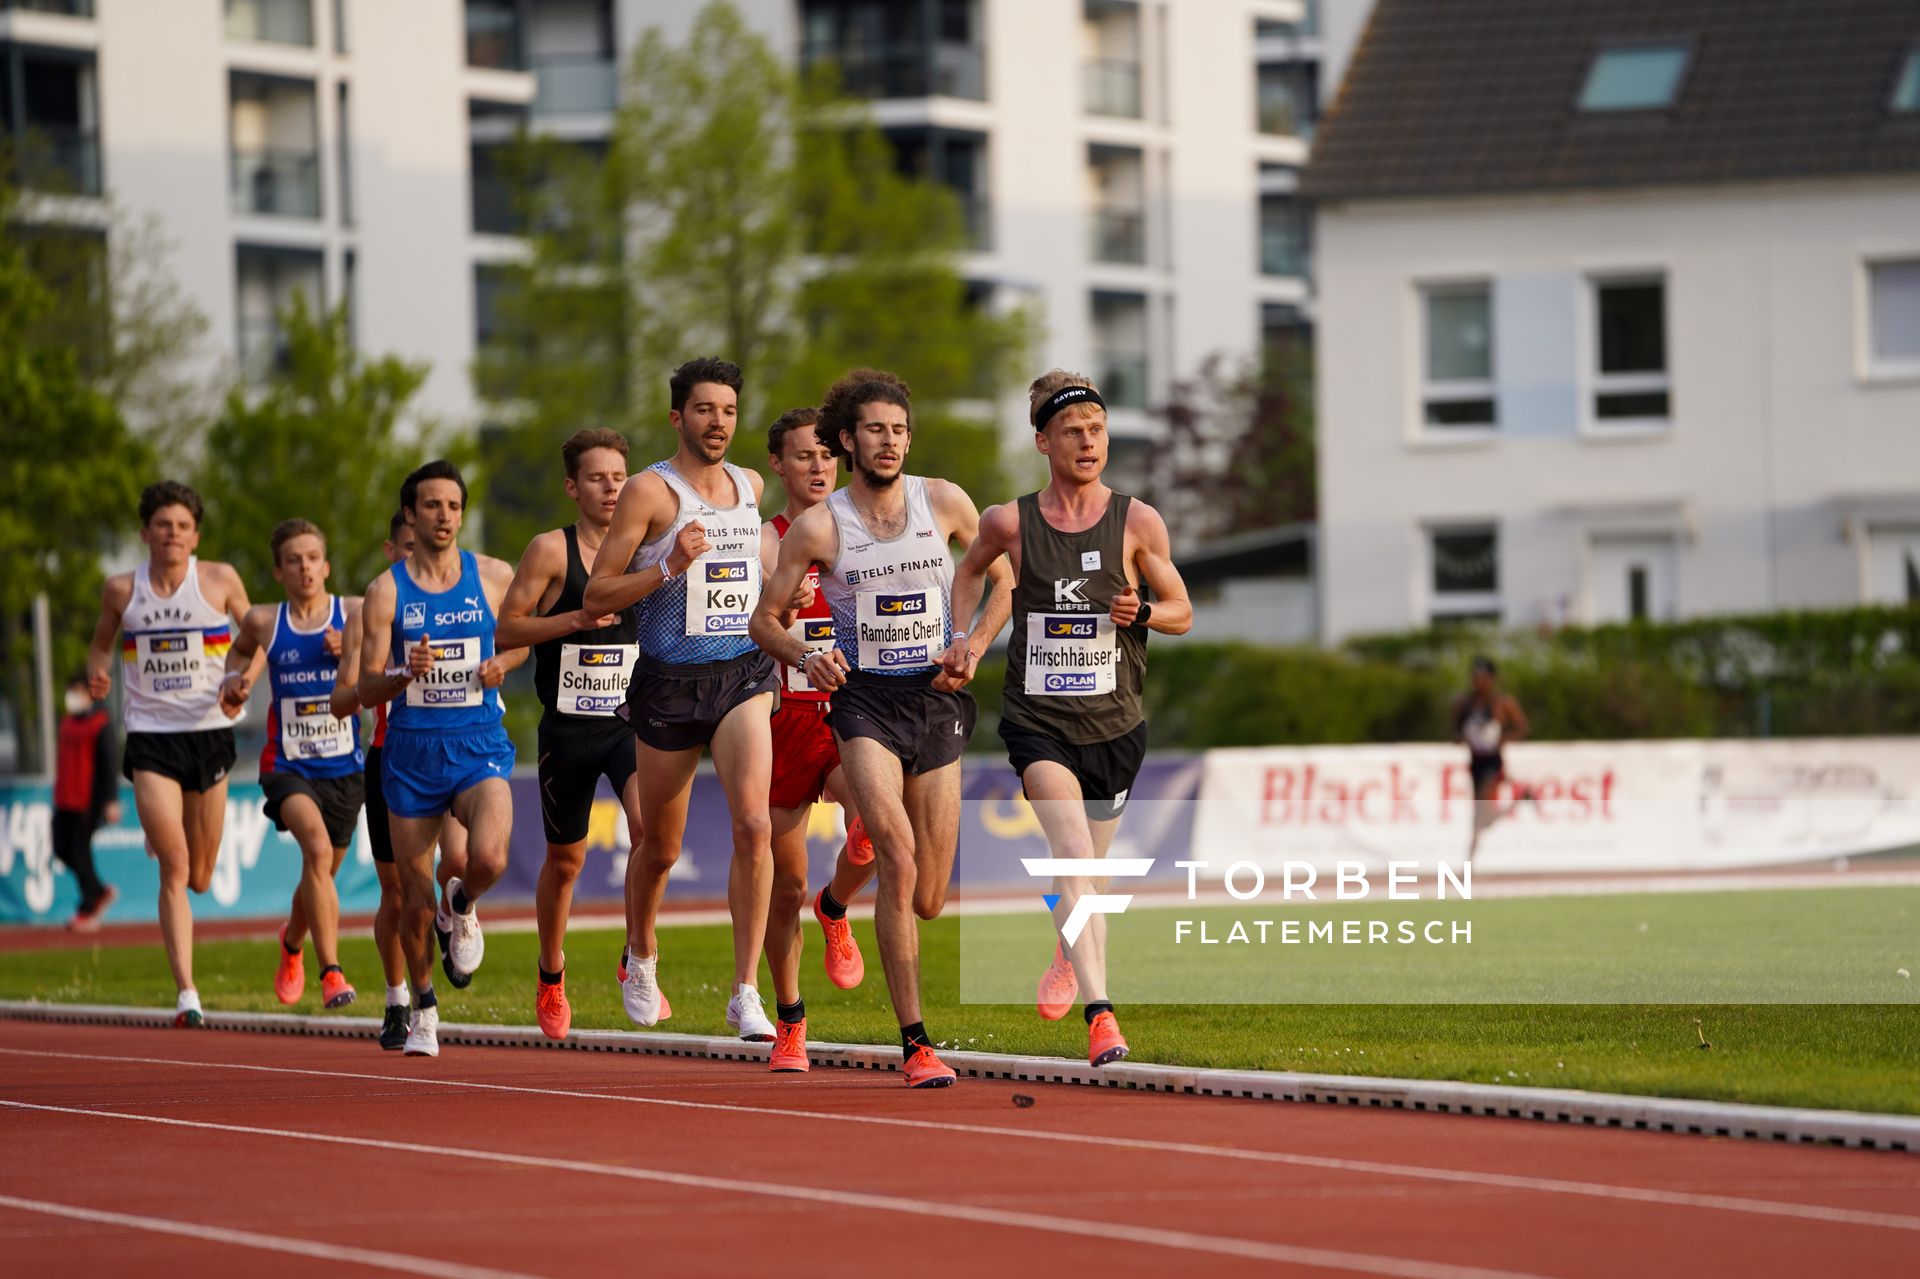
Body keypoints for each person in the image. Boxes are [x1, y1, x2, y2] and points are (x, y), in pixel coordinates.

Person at [750, 369, 1012, 1089]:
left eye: (899, 429)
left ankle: (834, 904)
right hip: (864, 703)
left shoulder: (946, 501)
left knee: (928, 894)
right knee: (893, 851)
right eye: (875, 430)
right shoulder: (820, 525)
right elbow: (763, 622)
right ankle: (917, 1043)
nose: (889, 441)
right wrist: (807, 652)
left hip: (936, 699)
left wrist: (973, 641)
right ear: (847, 438)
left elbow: (1004, 577)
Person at [947, 371, 1193, 1066]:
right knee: (1075, 857)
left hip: (1115, 726)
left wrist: (1142, 611)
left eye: (1097, 429)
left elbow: (1182, 611)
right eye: (1073, 431)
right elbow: (969, 571)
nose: (1088, 441)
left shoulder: (1138, 520)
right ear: (1043, 441)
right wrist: (959, 635)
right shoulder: (1008, 521)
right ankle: (1103, 1014)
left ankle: (1066, 950)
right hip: (1038, 721)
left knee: (1090, 876)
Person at [583, 358, 790, 1044]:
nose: (718, 422)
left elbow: (761, 568)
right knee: (660, 847)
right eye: (704, 409)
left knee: (754, 826)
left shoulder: (751, 486)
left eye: (729, 410)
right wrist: (666, 566)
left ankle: (746, 990)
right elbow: (596, 596)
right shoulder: (650, 492)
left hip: (742, 673)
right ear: (678, 417)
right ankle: (640, 954)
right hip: (668, 683)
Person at [356, 460, 521, 1057]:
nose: (444, 516)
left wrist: (507, 661)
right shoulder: (386, 590)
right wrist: (403, 672)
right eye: (431, 506)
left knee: (490, 856)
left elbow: (522, 634)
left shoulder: (493, 575)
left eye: (453, 505)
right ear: (410, 514)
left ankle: (465, 903)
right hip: (410, 753)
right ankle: (423, 1004)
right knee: (413, 900)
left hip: (479, 743)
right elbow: (366, 685)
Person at [86, 481, 257, 1028]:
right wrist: (95, 670)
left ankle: (166, 833)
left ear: (195, 535)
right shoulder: (121, 590)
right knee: (176, 868)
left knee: (201, 875)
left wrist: (242, 681)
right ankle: (187, 993)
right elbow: (101, 644)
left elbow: (257, 639)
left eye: (183, 526)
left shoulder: (219, 580)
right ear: (145, 534)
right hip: (150, 738)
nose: (173, 535)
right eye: (163, 526)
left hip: (209, 733)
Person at [495, 429, 644, 1040]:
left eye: (618, 476)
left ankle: (638, 953)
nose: (611, 487)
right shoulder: (550, 552)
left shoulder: (645, 546)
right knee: (566, 862)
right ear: (572, 487)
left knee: (654, 838)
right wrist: (575, 618)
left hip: (633, 722)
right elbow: (507, 631)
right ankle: (551, 972)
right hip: (569, 728)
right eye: (597, 477)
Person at [759, 406, 877, 1072]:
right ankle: (790, 1022)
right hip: (782, 718)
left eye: (827, 455)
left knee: (872, 827)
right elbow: (743, 622)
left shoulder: (862, 533)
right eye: (804, 455)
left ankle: (835, 907)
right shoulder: (764, 540)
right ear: (778, 463)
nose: (818, 467)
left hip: (848, 710)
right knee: (784, 883)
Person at [333, 510, 470, 1050]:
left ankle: (454, 914)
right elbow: (342, 697)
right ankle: (399, 1000)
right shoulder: (370, 615)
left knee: (460, 861)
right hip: (393, 759)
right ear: (393, 553)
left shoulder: (465, 600)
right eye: (410, 550)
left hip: (457, 751)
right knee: (396, 894)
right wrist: (399, 673)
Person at [220, 519, 364, 1012]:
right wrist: (233, 684)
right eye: (294, 560)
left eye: (312, 558)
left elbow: (390, 663)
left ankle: (291, 943)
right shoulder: (265, 621)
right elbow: (235, 659)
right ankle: (331, 972)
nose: (305, 567)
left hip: (345, 768)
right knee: (317, 852)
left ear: (326, 566)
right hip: (287, 766)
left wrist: (356, 651)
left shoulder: (355, 613)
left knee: (319, 872)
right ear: (279, 570)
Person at [53, 674, 120, 931]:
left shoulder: (100, 723)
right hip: (64, 797)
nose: (73, 696)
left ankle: (89, 906)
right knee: (62, 849)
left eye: (78, 691)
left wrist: (110, 799)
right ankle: (98, 891)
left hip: (86, 800)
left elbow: (108, 763)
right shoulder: (68, 723)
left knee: (80, 853)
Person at [1453, 656, 1531, 865]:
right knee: (1482, 819)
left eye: (1483, 677)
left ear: (1492, 679)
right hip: (1476, 763)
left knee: (1479, 817)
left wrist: (1502, 740)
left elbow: (1522, 727)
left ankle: (1467, 866)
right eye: (1475, 677)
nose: (1478, 682)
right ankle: (1518, 798)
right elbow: (1454, 732)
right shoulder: (1465, 704)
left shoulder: (1502, 703)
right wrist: (1464, 738)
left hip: (1493, 762)